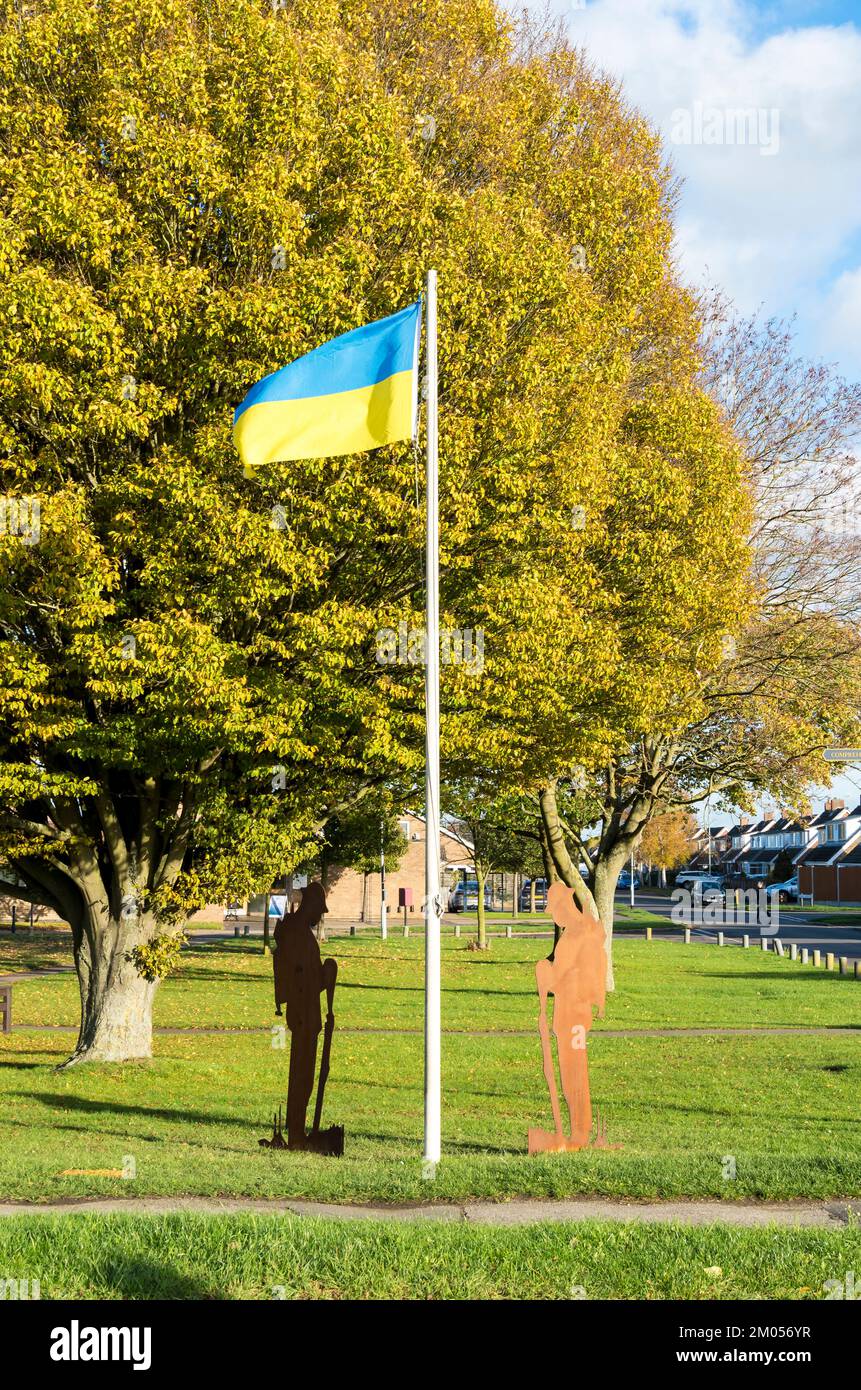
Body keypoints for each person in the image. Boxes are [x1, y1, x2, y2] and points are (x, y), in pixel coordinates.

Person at [530, 881, 607, 1153]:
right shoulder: (574, 933)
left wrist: (547, 974)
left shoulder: (580, 934)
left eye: (554, 910)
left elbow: (577, 977)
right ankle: (577, 1132)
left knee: (575, 1075)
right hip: (566, 1016)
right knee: (568, 1075)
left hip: (574, 1014)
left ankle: (580, 1134)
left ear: (564, 906)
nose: (554, 916)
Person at [272, 882, 337, 1149]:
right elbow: (302, 980)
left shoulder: (299, 932)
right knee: (302, 1075)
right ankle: (297, 1134)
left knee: (304, 1075)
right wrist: (327, 975)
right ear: (310, 906)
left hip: (307, 1013)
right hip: (303, 1015)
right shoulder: (298, 934)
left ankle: (298, 1131)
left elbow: (309, 978)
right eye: (319, 911)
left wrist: (326, 977)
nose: (320, 916)